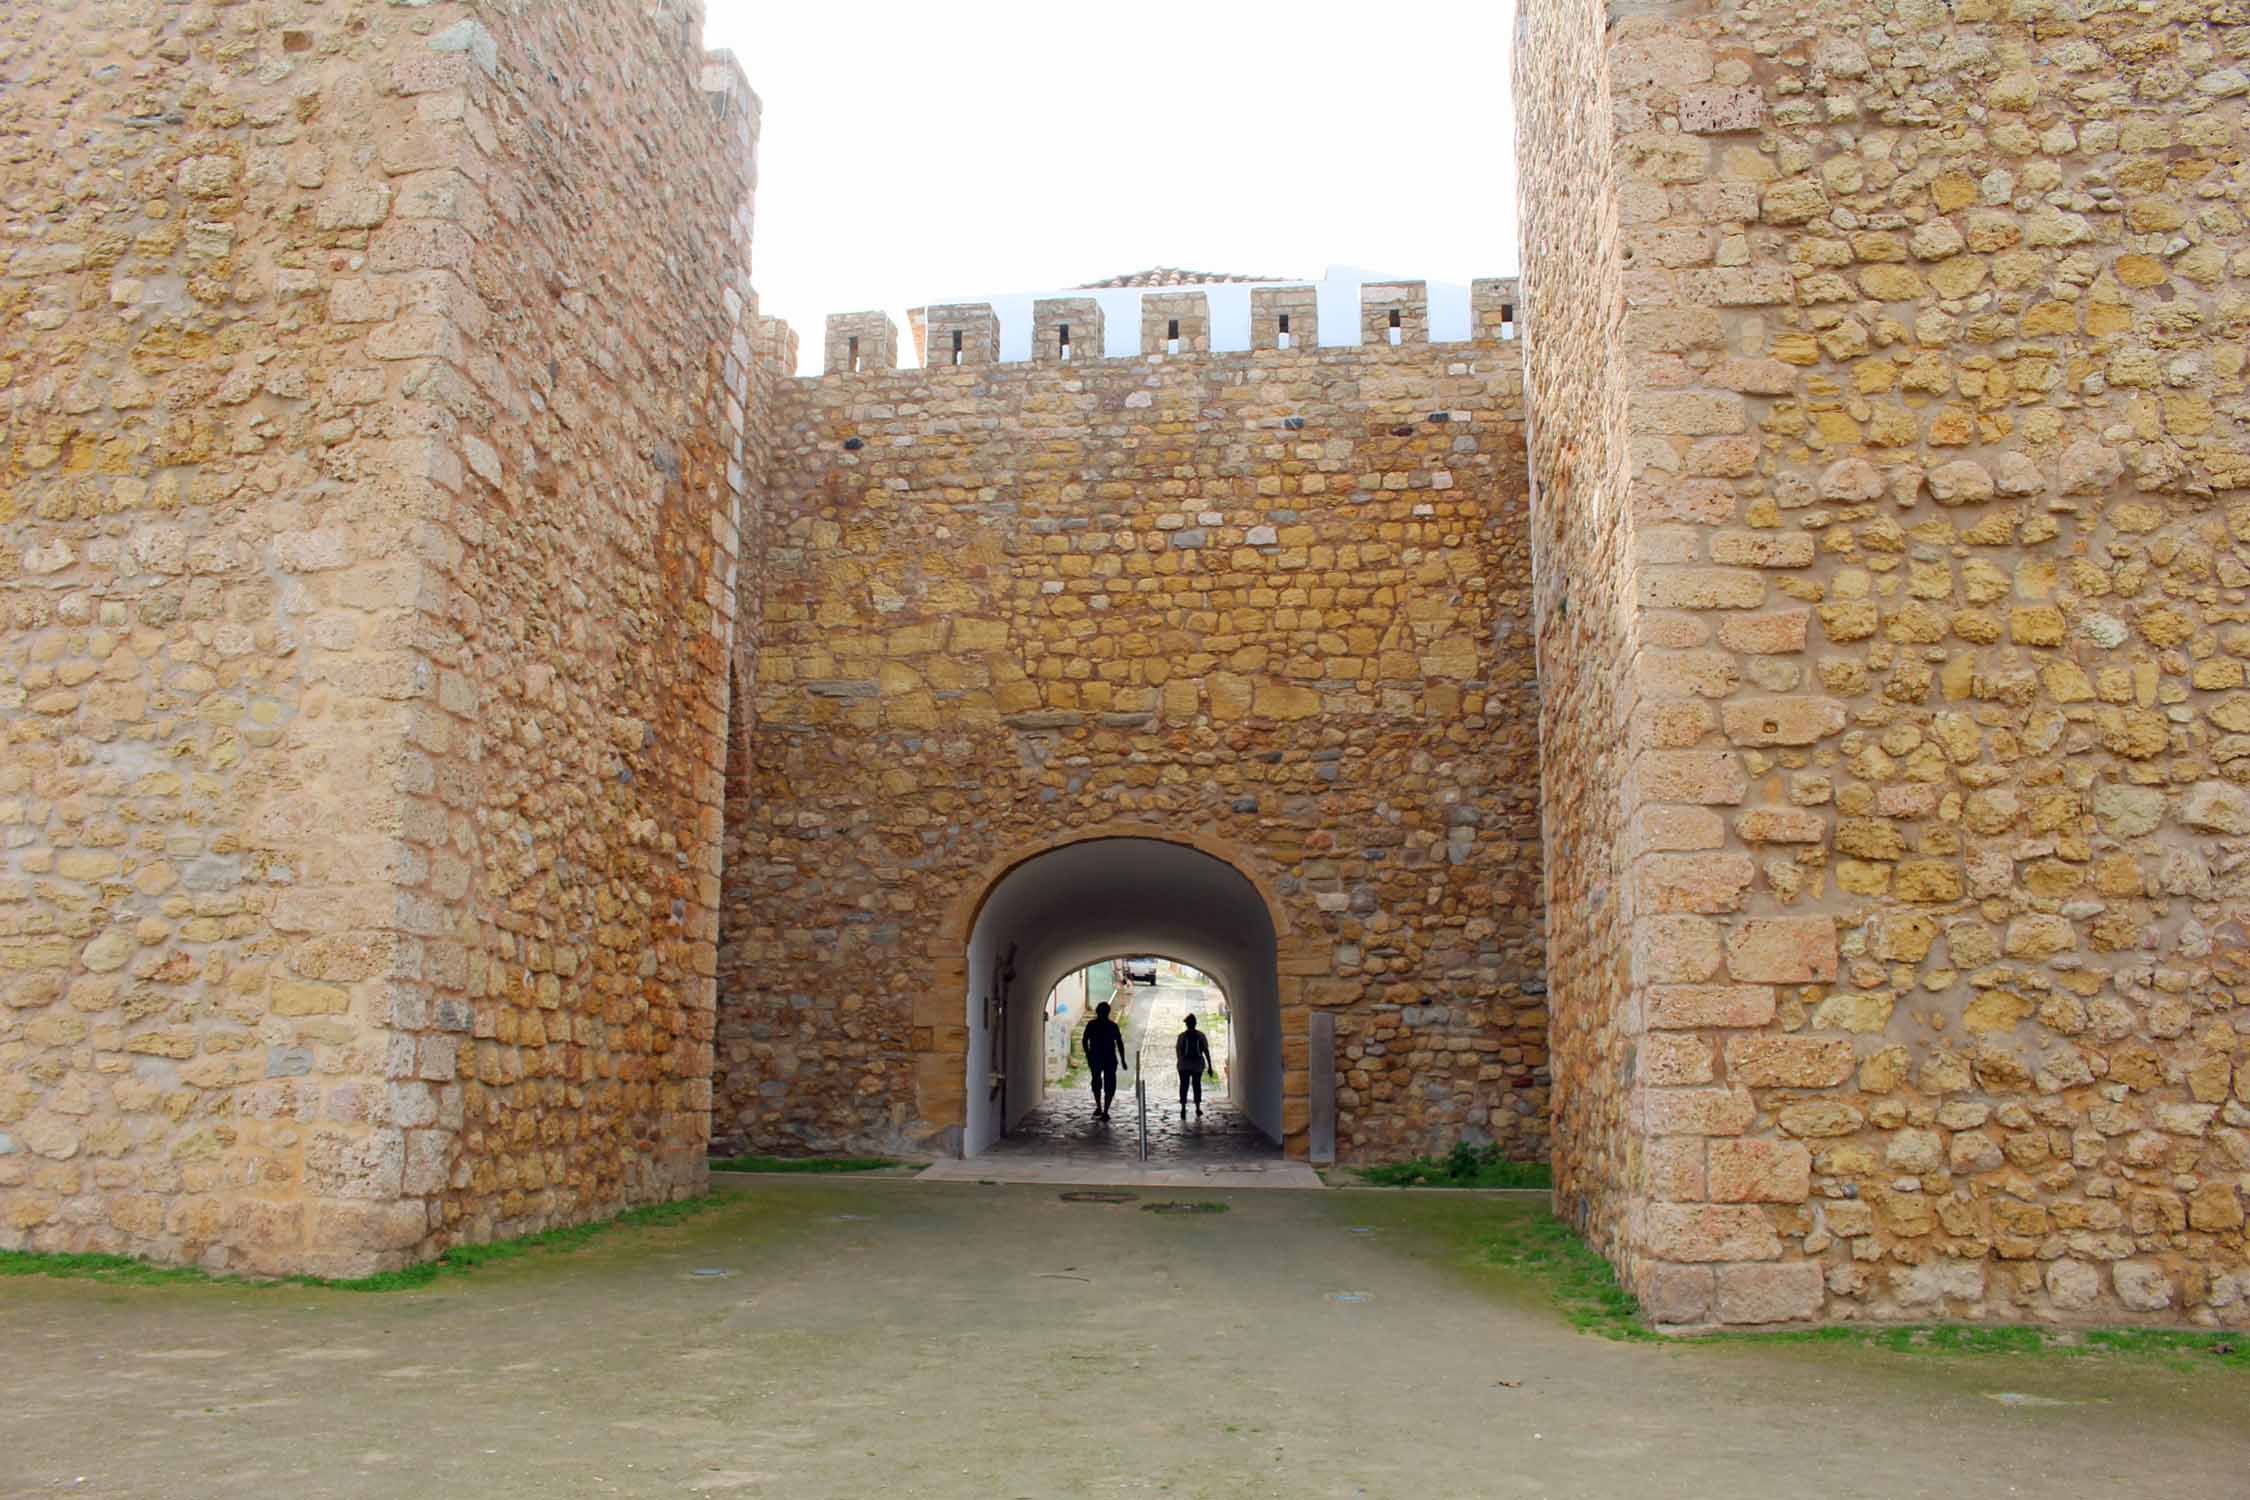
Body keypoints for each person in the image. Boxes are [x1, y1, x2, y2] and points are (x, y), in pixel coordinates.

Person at [1081, 1001, 1126, 1120]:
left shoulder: (1092, 1025)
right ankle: (1104, 1110)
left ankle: (1100, 1107)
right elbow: (1119, 1043)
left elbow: (1085, 1040)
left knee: (1097, 1082)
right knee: (1109, 1084)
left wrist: (1088, 1054)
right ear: (1108, 1012)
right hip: (1108, 1058)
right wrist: (1122, 1059)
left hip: (1096, 1057)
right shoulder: (1112, 1026)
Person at [1175, 1013, 1213, 1115]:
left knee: (1184, 1085)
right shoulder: (1201, 1035)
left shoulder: (1181, 1036)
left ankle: (1183, 1108)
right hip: (1197, 1064)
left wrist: (1180, 1062)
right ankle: (1197, 1108)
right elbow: (1206, 1051)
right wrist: (1210, 1066)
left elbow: (1178, 1051)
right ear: (1195, 1023)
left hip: (1184, 1064)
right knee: (1196, 1085)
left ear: (1186, 1024)